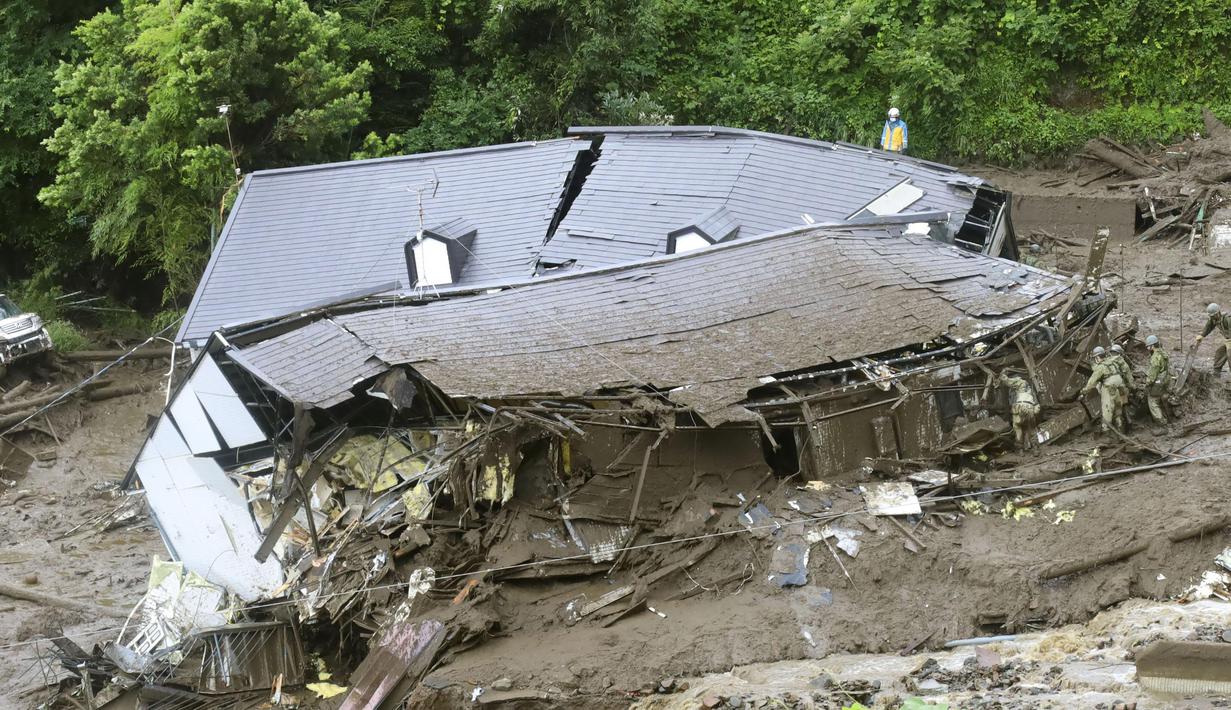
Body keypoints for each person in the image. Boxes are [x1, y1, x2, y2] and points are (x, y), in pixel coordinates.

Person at [1081, 345, 1128, 433]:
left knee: (1107, 411)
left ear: (1098, 357)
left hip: (1109, 388)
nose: (1095, 359)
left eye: (1095, 358)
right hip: (1120, 387)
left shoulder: (1100, 367)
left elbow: (1092, 382)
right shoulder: (1112, 362)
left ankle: (1106, 433)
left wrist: (1084, 391)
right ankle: (1121, 428)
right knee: (1118, 411)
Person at [999, 370, 1040, 450]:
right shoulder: (1030, 390)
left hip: (1020, 409)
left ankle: (1020, 449)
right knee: (1031, 429)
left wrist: (1003, 377)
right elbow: (1037, 405)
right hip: (1030, 409)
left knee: (1018, 429)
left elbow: (1008, 382)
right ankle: (1035, 449)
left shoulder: (1020, 382)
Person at [1194, 302, 1231, 374]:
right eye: (1211, 316)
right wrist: (1202, 335)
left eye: (1214, 315)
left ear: (1218, 313)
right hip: (1227, 340)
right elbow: (1209, 326)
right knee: (1219, 353)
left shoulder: (1228, 319)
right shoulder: (1213, 319)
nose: (1212, 317)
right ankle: (1216, 374)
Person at [1144, 334, 1170, 426]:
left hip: (1158, 382)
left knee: (1152, 401)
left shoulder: (1155, 358)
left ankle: (1162, 424)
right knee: (1162, 398)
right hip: (1165, 380)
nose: (1147, 348)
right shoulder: (1163, 353)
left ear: (1152, 346)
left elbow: (1152, 376)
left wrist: (1147, 384)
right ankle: (1168, 416)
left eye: (1148, 346)